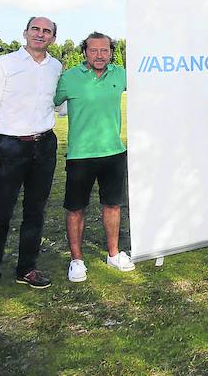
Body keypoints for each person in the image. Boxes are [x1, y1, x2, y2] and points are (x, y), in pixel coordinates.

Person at [0, 17, 62, 305]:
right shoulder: (3, 64)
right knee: (0, 213)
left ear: (53, 38)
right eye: (35, 29)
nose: (40, 34)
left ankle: (27, 269)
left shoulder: (56, 67)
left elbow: (59, 105)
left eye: (46, 31)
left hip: (44, 145)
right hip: (9, 146)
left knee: (35, 211)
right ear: (25, 33)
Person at [54, 32, 133, 282]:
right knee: (76, 208)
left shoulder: (121, 74)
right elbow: (46, 103)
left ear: (111, 52)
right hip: (80, 155)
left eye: (105, 50)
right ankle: (77, 261)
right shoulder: (69, 78)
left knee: (113, 205)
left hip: (114, 152)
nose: (99, 55)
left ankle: (113, 254)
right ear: (85, 52)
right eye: (94, 51)